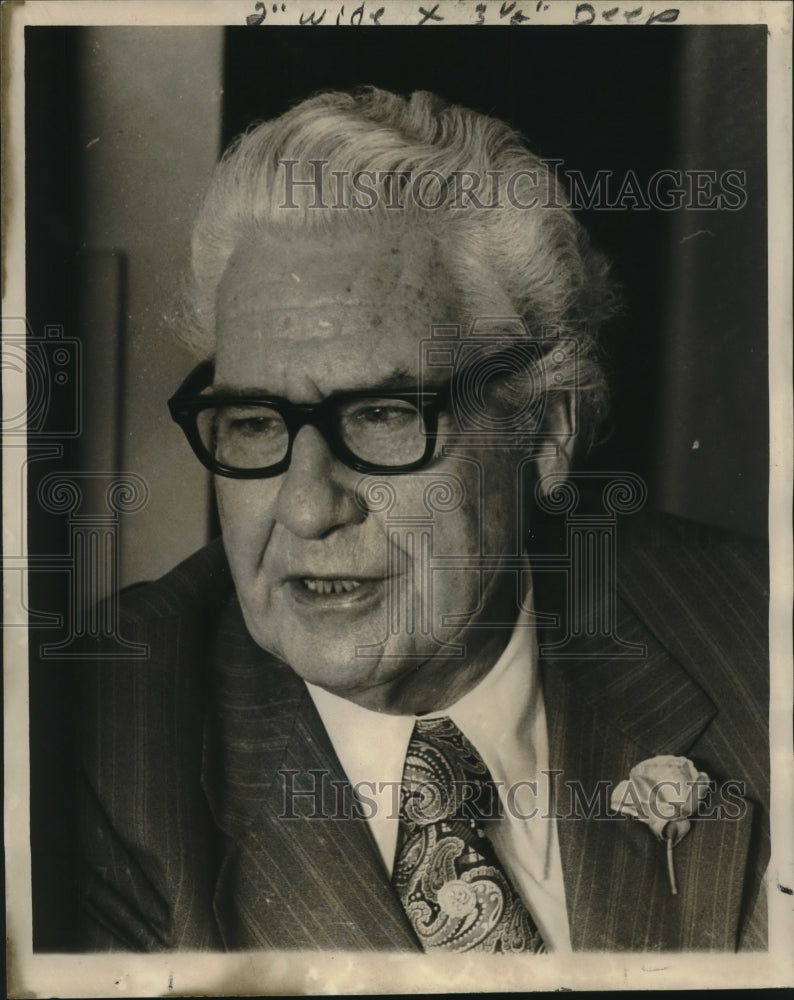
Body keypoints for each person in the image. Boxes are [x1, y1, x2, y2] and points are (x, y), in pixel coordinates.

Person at [77, 88, 769, 953]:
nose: (305, 506)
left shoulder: (758, 634)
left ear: (543, 432)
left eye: (382, 417)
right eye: (255, 423)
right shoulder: (83, 745)